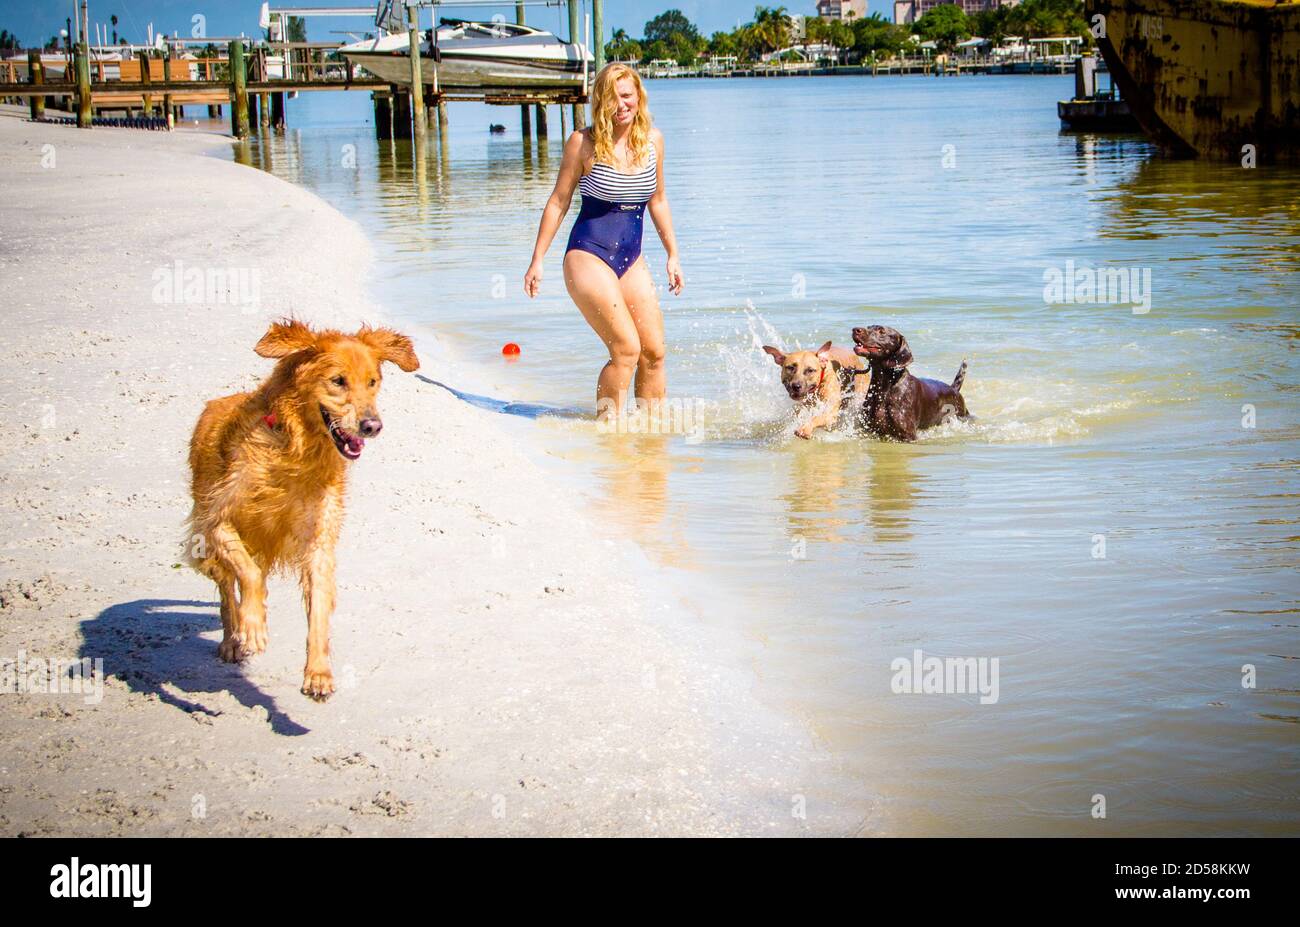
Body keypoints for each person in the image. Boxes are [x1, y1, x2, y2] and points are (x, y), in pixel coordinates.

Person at [524, 63, 683, 418]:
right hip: (588, 255)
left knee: (654, 352)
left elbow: (657, 200)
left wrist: (673, 254)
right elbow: (559, 200)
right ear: (600, 103)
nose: (621, 105)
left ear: (639, 96)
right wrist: (538, 259)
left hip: (631, 257)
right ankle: (608, 433)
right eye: (611, 98)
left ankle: (650, 436)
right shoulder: (582, 142)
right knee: (626, 349)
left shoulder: (653, 141)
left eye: (627, 96)